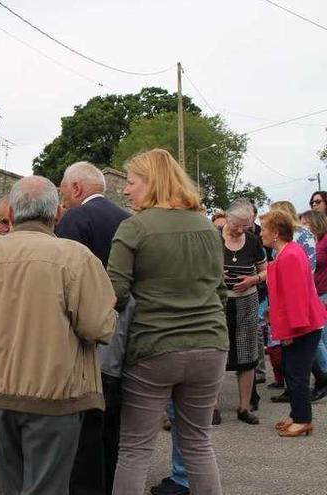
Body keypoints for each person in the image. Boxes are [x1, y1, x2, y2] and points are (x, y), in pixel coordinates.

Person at [0, 176, 117, 495]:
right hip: (57, 395)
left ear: (11, 213)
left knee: (11, 485)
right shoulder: (76, 257)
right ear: (56, 213)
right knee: (48, 488)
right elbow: (98, 327)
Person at [108, 149, 228, 495]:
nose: (126, 191)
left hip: (154, 347)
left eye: (131, 183)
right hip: (210, 346)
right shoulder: (207, 228)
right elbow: (220, 290)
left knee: (134, 449)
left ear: (152, 182)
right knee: (198, 443)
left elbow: (114, 294)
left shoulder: (134, 228)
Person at [56, 161, 131, 495]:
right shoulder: (127, 219)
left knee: (86, 418)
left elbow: (66, 278)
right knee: (112, 417)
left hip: (86, 328)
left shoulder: (75, 219)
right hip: (122, 325)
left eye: (63, 188)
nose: (62, 197)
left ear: (76, 188)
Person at [261, 209, 327, 437]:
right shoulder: (288, 252)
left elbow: (296, 298)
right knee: (293, 371)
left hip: (303, 326)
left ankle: (303, 420)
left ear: (276, 232)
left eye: (264, 229)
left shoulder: (289, 255)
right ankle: (296, 414)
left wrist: (291, 331)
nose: (261, 234)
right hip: (304, 324)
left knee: (297, 374)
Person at [218, 200, 267, 425]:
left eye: (246, 226)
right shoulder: (214, 237)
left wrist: (253, 279)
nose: (241, 230)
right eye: (238, 225)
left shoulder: (254, 241)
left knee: (247, 355)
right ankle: (213, 407)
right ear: (228, 219)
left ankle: (244, 407)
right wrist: (218, 275)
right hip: (219, 302)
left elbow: (266, 270)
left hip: (247, 301)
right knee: (217, 353)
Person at [301, 209, 327, 401]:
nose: (302, 226)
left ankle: (324, 378)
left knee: (318, 338)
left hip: (324, 292)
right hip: (316, 292)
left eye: (305, 222)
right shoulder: (313, 242)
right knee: (320, 338)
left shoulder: (324, 242)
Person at [270, 201, 316, 270]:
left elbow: (310, 265)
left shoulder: (303, 234)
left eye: (272, 215)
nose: (270, 218)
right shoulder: (279, 235)